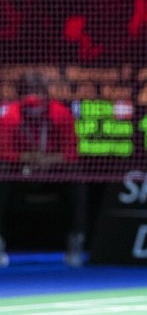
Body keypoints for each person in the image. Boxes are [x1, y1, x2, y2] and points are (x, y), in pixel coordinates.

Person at [0, 72, 85, 267]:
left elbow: (72, 153)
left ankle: (76, 239)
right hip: (20, 175)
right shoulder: (10, 116)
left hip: (53, 174)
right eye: (29, 91)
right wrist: (26, 157)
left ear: (46, 94)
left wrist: (49, 158)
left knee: (77, 176)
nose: (33, 96)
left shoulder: (61, 113)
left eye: (38, 91)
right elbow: (3, 151)